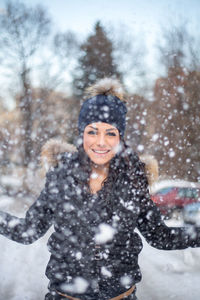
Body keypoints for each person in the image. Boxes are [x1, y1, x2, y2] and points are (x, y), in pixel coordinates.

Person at [0, 78, 200, 300]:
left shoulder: (133, 180)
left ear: (120, 137)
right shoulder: (61, 177)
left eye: (111, 133)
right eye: (93, 132)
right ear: (81, 134)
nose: (101, 142)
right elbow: (27, 231)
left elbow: (160, 236)